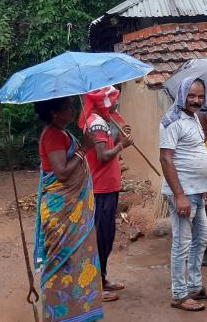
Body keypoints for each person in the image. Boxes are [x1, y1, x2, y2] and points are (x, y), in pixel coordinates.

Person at [33, 96, 104, 321]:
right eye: (68, 106)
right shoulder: (53, 135)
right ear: (55, 112)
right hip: (61, 211)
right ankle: (58, 315)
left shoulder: (62, 132)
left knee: (75, 263)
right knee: (61, 262)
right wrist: (84, 148)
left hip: (71, 211)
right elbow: (62, 173)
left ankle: (77, 313)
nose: (73, 109)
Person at [159, 77, 207, 312]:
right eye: (192, 95)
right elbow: (166, 158)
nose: (196, 100)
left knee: (201, 238)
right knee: (182, 243)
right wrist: (179, 195)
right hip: (183, 193)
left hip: (198, 192)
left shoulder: (193, 117)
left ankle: (195, 286)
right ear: (182, 94)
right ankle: (179, 293)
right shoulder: (171, 121)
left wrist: (204, 189)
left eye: (200, 96)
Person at [79, 86, 133, 301]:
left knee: (106, 236)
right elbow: (102, 156)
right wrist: (122, 146)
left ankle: (102, 278)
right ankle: (95, 286)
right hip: (101, 188)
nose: (116, 105)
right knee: (100, 237)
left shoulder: (103, 121)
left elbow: (109, 148)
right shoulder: (97, 123)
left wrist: (121, 138)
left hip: (108, 187)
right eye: (113, 102)